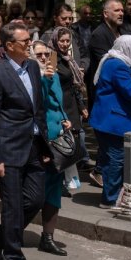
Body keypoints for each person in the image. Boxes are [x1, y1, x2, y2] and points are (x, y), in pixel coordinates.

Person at [0, 22, 50, 260]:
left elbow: (37, 108)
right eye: (25, 41)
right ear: (9, 46)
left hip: (33, 146)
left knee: (35, 200)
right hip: (8, 150)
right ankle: (15, 259)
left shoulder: (32, 67)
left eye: (30, 40)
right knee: (12, 206)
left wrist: (44, 143)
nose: (30, 44)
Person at [89, 35, 131, 208]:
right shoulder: (118, 65)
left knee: (110, 159)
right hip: (113, 121)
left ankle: (110, 195)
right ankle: (110, 199)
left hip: (107, 120)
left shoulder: (113, 62)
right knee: (115, 160)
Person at [30, 41, 69, 256]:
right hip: (39, 141)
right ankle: (10, 232)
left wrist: (65, 119)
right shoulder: (31, 77)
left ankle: (48, 237)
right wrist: (45, 80)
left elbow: (58, 103)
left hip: (57, 139)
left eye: (46, 54)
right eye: (39, 55)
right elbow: (39, 103)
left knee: (54, 189)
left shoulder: (53, 75)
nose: (44, 58)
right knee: (34, 191)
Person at [43, 26, 88, 186]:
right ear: (55, 40)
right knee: (63, 143)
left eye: (68, 41)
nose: (65, 43)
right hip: (61, 106)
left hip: (71, 104)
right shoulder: (53, 57)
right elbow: (51, 83)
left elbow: (73, 85)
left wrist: (81, 105)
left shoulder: (68, 58)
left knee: (74, 140)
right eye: (62, 40)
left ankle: (67, 178)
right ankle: (61, 179)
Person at [85, 0, 125, 101]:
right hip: (105, 93)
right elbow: (107, 64)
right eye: (117, 10)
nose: (121, 13)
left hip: (121, 90)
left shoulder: (123, 33)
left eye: (122, 10)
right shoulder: (98, 35)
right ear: (106, 14)